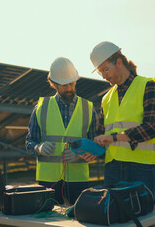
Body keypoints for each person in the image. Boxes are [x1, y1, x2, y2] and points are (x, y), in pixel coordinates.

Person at [90, 41, 155, 195]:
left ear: (119, 62)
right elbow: (101, 133)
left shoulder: (147, 86)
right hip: (113, 168)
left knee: (141, 214)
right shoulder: (106, 99)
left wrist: (114, 138)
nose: (104, 76)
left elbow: (152, 127)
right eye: (100, 72)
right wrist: (93, 148)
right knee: (114, 215)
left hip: (141, 167)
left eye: (105, 69)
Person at [25, 57, 99, 205]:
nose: (69, 88)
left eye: (71, 83)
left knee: (79, 220)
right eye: (64, 85)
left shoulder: (89, 109)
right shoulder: (40, 107)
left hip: (78, 179)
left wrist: (79, 155)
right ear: (53, 84)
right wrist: (38, 147)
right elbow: (29, 142)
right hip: (47, 181)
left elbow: (97, 146)